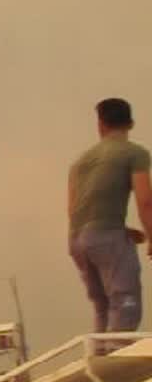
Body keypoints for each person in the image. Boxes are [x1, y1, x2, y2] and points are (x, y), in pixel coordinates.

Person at [68, 97, 152, 335]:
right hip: (106, 237)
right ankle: (117, 366)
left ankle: (101, 357)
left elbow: (74, 209)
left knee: (102, 304)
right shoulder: (134, 154)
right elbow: (146, 201)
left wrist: (117, 230)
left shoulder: (80, 163)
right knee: (126, 301)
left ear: (101, 125)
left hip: (77, 240)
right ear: (131, 123)